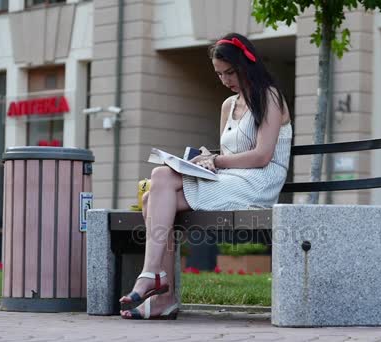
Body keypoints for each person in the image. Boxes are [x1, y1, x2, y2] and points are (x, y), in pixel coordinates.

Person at [119, 32, 292, 320]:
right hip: (231, 179)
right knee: (157, 185)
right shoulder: (228, 105)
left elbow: (262, 156)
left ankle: (157, 284)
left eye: (230, 72)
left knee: (157, 190)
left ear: (246, 65)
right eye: (219, 74)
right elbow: (226, 153)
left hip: (259, 182)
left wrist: (216, 160)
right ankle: (157, 283)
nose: (225, 80)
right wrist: (205, 158)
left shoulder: (270, 97)